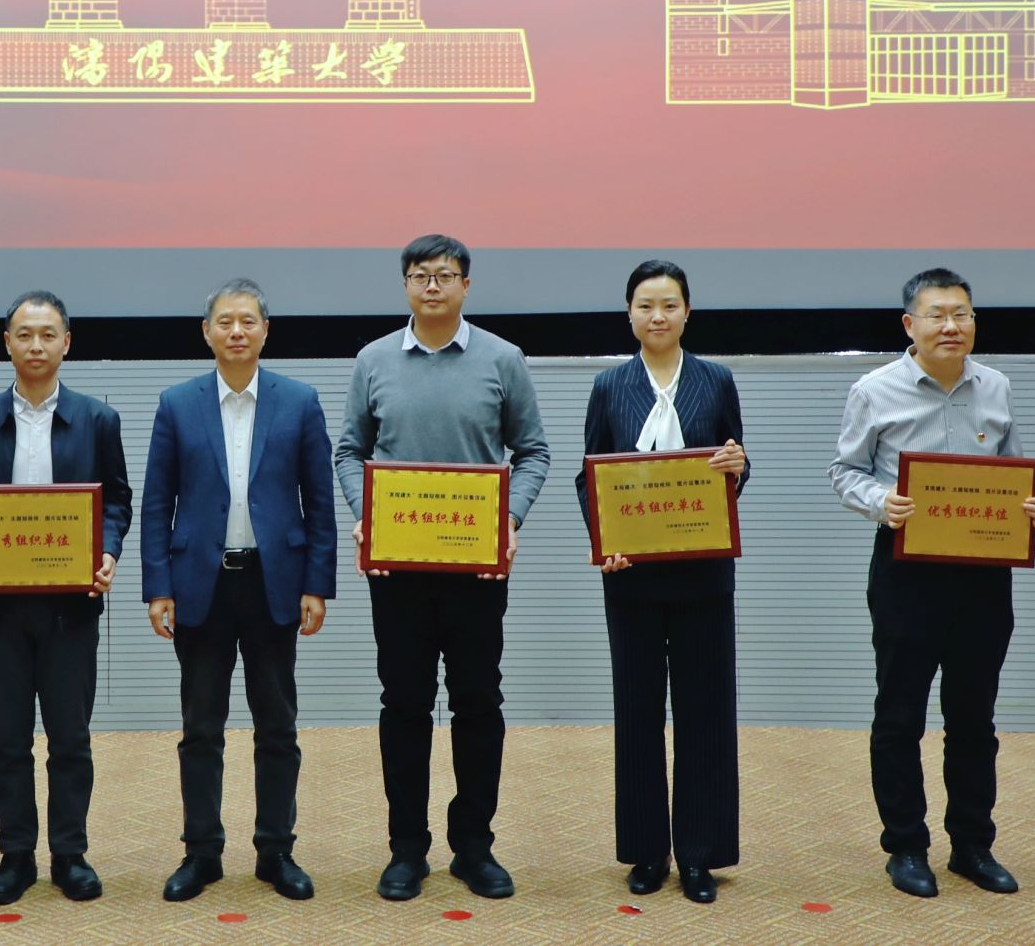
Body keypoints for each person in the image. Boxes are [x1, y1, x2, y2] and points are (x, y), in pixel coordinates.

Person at [334, 234, 551, 902]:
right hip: (398, 571)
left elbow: (533, 451)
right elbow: (349, 451)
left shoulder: (502, 358)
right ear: (405, 284)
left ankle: (474, 848)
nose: (433, 285)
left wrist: (509, 521)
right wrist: (366, 515)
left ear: (465, 285)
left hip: (476, 571)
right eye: (421, 275)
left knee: (477, 703)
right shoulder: (373, 360)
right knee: (403, 705)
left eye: (445, 275)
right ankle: (407, 850)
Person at [828, 268, 1035, 898]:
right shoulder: (874, 390)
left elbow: (1012, 471)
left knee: (974, 718)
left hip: (983, 576)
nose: (951, 326)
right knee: (900, 715)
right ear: (910, 324)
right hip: (907, 574)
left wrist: (1029, 507)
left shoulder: (996, 386)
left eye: (962, 315)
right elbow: (845, 472)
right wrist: (882, 502)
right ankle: (906, 847)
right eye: (937, 315)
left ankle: (972, 846)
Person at [139, 279, 337, 903]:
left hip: (274, 583)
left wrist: (317, 584)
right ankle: (201, 853)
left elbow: (320, 503)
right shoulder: (177, 404)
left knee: (277, 725)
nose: (236, 331)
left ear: (265, 331)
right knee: (201, 727)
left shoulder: (299, 402)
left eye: (248, 321)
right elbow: (156, 504)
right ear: (207, 332)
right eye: (224, 321)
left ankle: (276, 851)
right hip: (200, 585)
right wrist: (158, 586)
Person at [0, 291, 131, 905]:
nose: (35, 345)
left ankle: (70, 854)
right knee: (8, 739)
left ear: (66, 343)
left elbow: (117, 501)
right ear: (7, 343)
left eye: (48, 334)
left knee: (70, 737)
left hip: (70, 606)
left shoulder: (98, 419)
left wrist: (107, 552)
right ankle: (16, 855)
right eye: (24, 334)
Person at [574, 260, 749, 904]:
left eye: (669, 305)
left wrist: (739, 464)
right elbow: (589, 475)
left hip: (704, 577)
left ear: (687, 312)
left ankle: (699, 854)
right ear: (629, 314)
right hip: (632, 581)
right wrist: (605, 541)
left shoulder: (717, 379)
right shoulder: (609, 385)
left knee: (706, 713)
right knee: (638, 713)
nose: (657, 316)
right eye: (646, 305)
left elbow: (735, 464)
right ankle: (648, 851)